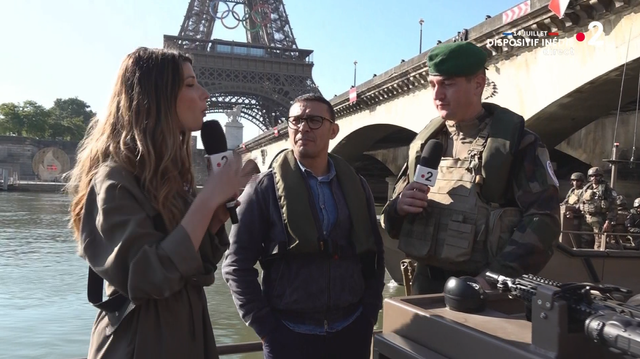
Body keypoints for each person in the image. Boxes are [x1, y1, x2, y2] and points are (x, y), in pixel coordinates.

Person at [66, 47, 245, 359]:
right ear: (156, 97)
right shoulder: (113, 179)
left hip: (184, 336)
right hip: (141, 342)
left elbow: (193, 270)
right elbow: (148, 278)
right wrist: (207, 199)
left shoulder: (167, 179)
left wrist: (215, 217)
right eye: (190, 85)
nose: (205, 94)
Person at [380, 41, 561, 295]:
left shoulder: (517, 143)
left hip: (485, 293)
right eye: (433, 85)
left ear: (478, 83)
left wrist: (494, 278)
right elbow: (390, 222)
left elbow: (545, 221)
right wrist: (398, 208)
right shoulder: (425, 145)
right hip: (424, 287)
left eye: (448, 84)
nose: (437, 95)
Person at [222, 94, 386, 359]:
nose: (303, 127)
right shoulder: (262, 189)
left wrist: (369, 313)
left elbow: (375, 254)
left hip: (352, 328)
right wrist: (266, 328)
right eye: (296, 120)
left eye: (314, 120)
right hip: (287, 334)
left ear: (333, 130)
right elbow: (236, 265)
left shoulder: (357, 186)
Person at [579, 167, 618, 250]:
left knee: (599, 242)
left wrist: (608, 221)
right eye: (592, 176)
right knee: (584, 241)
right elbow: (580, 202)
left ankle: (597, 260)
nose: (594, 178)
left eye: (597, 176)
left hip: (599, 219)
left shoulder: (607, 190)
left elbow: (613, 207)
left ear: (601, 176)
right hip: (586, 218)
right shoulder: (586, 188)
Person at [561, 172, 593, 248]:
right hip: (570, 218)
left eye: (578, 181)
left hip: (583, 218)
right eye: (574, 181)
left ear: (582, 181)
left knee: (585, 240)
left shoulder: (585, 192)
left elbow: (584, 206)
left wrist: (575, 214)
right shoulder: (572, 191)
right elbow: (566, 201)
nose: (575, 183)